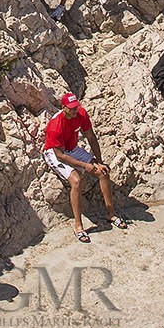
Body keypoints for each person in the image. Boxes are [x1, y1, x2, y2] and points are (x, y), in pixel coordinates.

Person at [43, 92, 126, 242]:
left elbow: (91, 137)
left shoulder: (81, 114)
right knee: (76, 181)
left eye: (76, 107)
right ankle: (78, 226)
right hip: (56, 152)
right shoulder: (55, 125)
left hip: (72, 149)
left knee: (103, 172)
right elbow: (60, 156)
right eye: (71, 109)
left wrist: (99, 161)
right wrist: (84, 165)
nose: (74, 111)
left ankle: (111, 213)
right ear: (63, 107)